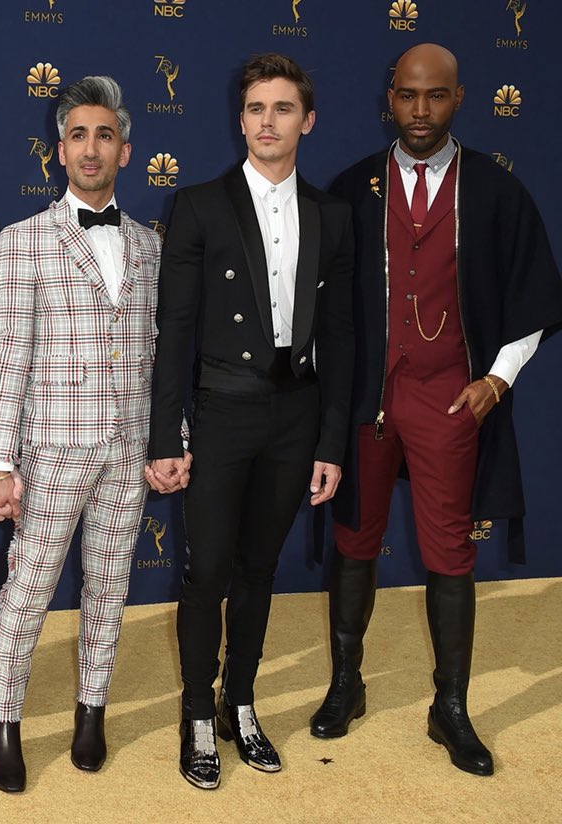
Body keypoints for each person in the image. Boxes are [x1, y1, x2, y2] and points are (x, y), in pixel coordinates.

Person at [311, 43, 562, 777]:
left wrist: (497, 380)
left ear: (459, 99)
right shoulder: (354, 186)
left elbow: (535, 294)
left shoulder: (494, 189)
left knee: (451, 551)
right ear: (389, 97)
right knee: (354, 539)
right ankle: (346, 685)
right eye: (408, 96)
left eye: (436, 97)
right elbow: (321, 301)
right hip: (366, 398)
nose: (421, 111)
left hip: (450, 396)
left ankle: (449, 707)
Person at [146, 53, 354, 789]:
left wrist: (332, 439)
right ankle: (197, 712)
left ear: (308, 119)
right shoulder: (198, 205)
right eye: (257, 109)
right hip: (222, 410)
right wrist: (165, 435)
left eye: (284, 108)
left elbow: (343, 336)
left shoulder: (334, 214)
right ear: (241, 120)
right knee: (206, 573)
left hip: (296, 415)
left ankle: (241, 702)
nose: (269, 122)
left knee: (259, 569)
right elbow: (172, 330)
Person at [0, 76, 161, 793]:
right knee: (28, 589)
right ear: (60, 151)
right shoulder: (23, 241)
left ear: (125, 149)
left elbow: (155, 351)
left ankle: (92, 710)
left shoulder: (148, 245)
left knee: (110, 586)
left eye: (104, 135)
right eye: (78, 135)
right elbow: (11, 356)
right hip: (52, 447)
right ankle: (4, 719)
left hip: (129, 446)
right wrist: (0, 462)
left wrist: (168, 438)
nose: (92, 148)